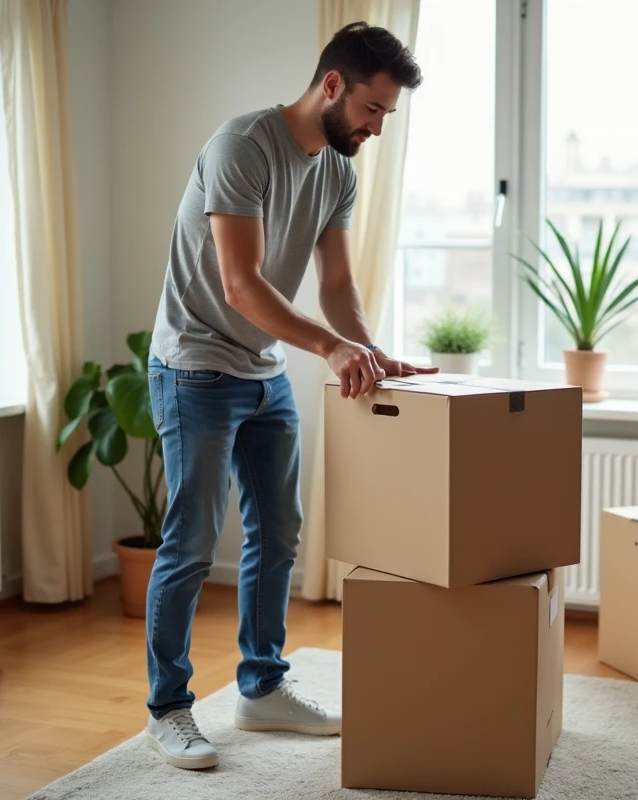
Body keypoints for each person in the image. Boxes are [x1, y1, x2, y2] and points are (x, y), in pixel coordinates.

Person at [142, 21, 431, 770]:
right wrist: (331, 348)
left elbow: (336, 283)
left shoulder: (338, 170)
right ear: (332, 86)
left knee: (280, 534)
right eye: (373, 110)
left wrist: (364, 347)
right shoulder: (242, 146)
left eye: (387, 117)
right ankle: (168, 709)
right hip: (195, 366)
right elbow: (241, 284)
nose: (376, 128)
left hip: (263, 372)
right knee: (192, 542)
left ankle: (261, 689)